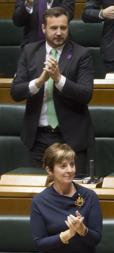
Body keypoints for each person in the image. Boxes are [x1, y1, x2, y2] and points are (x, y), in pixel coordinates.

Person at [11, 7, 95, 175]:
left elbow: (86, 94)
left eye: (63, 28)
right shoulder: (29, 52)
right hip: (38, 138)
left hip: (71, 138)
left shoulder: (81, 54)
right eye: (53, 28)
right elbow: (16, 92)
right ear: (43, 28)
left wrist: (58, 79)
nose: (58, 32)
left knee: (73, 194)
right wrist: (40, 81)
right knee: (37, 192)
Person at [30, 143, 103, 253]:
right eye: (63, 166)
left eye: (72, 164)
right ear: (50, 170)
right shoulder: (40, 202)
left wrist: (83, 230)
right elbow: (39, 244)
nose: (70, 170)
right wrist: (67, 235)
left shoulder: (89, 196)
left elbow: (97, 238)